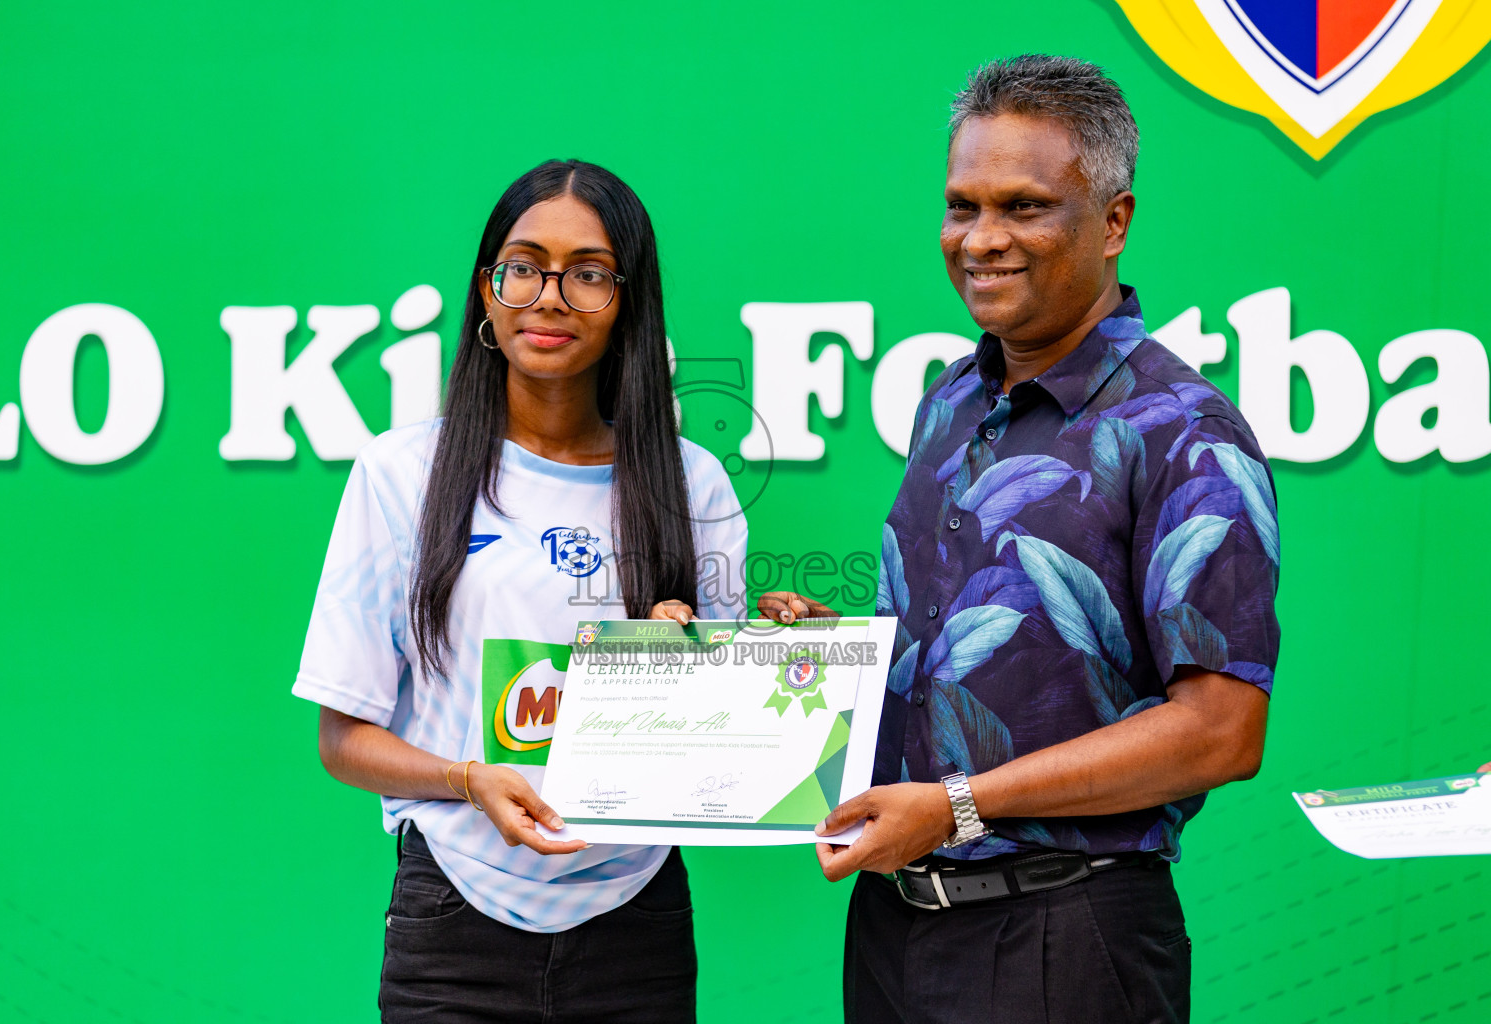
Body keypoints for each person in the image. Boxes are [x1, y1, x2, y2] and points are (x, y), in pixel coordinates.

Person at [761, 56, 1279, 1023]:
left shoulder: (1184, 430)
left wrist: (956, 805)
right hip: (893, 929)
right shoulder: (950, 402)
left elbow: (1221, 730)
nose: (982, 239)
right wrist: (831, 664)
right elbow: (983, 673)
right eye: (963, 206)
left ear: (1114, 220)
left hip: (1065, 942)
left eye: (1025, 207)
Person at [293, 159, 747, 1023]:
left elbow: (722, 749)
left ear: (629, 305)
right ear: (487, 295)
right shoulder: (401, 475)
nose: (548, 296)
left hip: (635, 922)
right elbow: (344, 740)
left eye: (587, 274)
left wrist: (693, 660)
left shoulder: (693, 484)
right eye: (524, 267)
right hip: (453, 916)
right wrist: (471, 780)